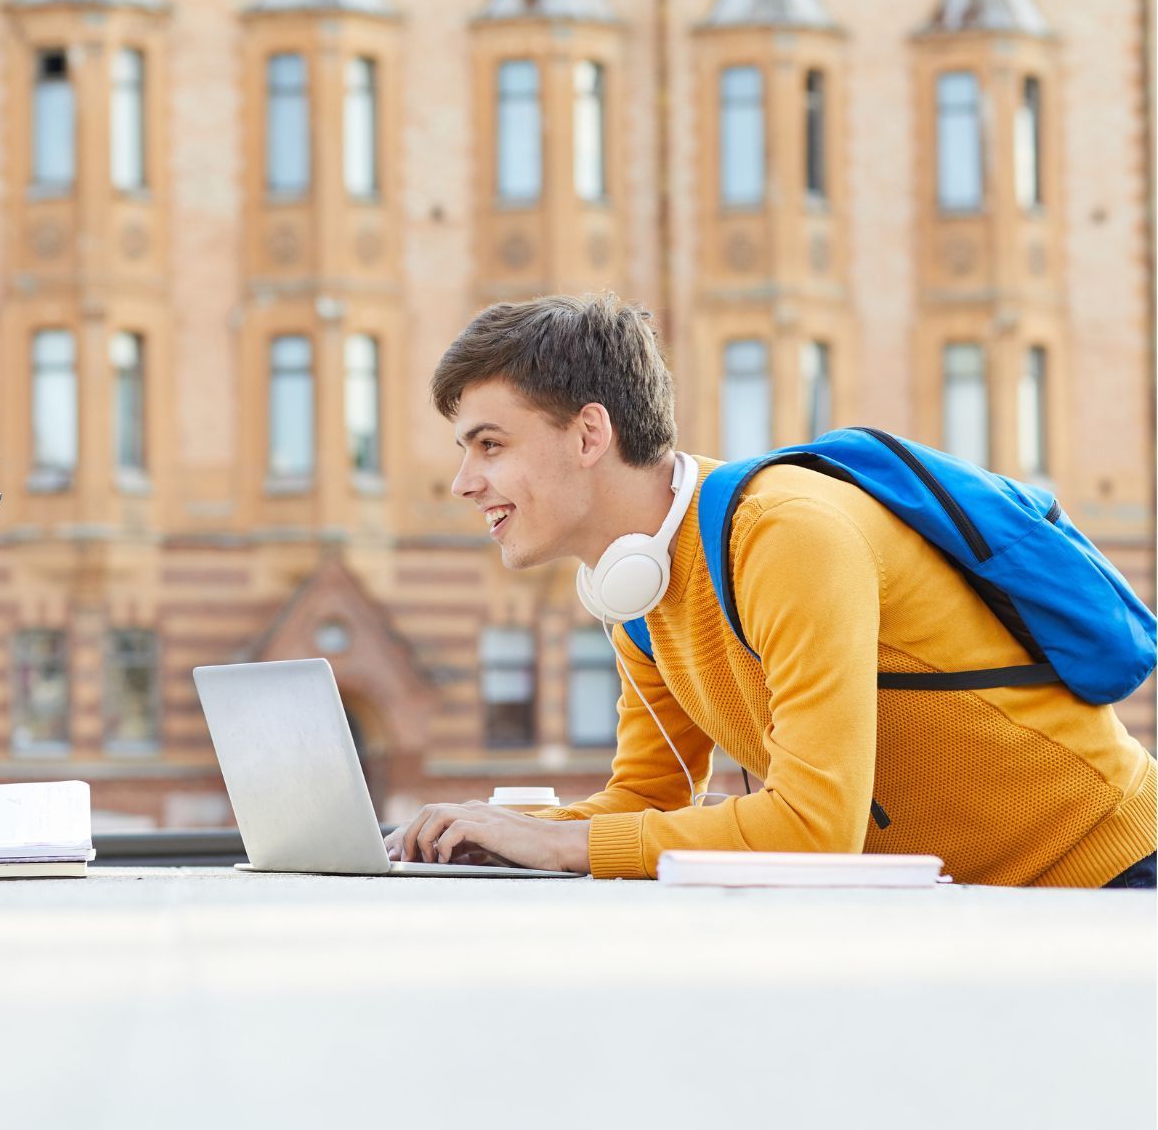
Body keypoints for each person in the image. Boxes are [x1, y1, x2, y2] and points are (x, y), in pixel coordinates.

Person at [386, 294, 1157, 888]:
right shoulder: (637, 587)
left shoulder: (783, 535)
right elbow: (646, 804)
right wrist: (494, 828)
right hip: (982, 901)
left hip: (1110, 872)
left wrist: (563, 844)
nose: (464, 482)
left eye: (490, 444)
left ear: (591, 435)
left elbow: (817, 830)